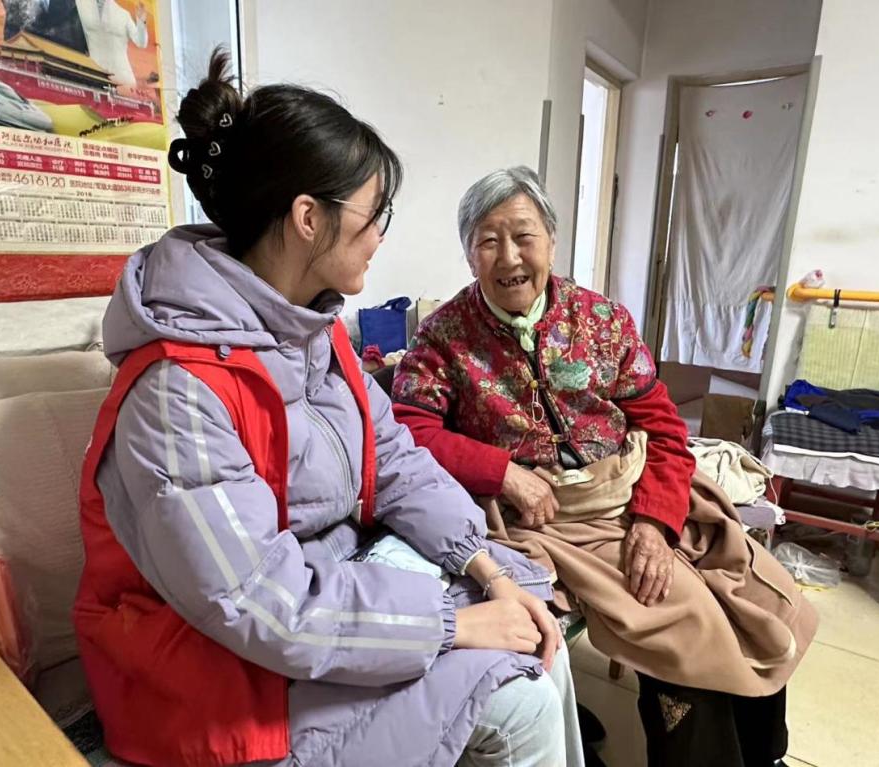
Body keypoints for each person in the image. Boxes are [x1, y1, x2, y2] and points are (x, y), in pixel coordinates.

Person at [73, 54, 585, 767]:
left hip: (322, 609)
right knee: (521, 699)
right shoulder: (176, 390)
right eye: (375, 215)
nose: (381, 236)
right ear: (309, 218)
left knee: (538, 640)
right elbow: (258, 600)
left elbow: (395, 457)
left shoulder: (317, 332)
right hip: (211, 674)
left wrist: (485, 566)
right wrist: (452, 623)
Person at [391, 166, 818, 767]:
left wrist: (655, 521)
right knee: (684, 622)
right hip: (546, 520)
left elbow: (663, 427)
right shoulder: (443, 337)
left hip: (631, 488)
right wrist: (502, 471)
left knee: (758, 591)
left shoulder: (602, 320)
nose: (509, 257)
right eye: (488, 241)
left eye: (524, 236)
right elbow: (409, 432)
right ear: (469, 255)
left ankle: (763, 753)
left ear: (551, 240)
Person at [74, 0, 148, 86]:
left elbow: (141, 43)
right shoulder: (81, 6)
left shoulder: (123, 15)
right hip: (94, 74)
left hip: (121, 79)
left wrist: (141, 21)